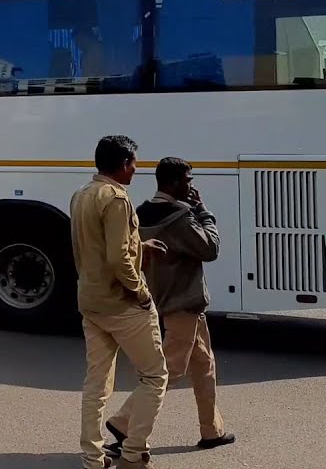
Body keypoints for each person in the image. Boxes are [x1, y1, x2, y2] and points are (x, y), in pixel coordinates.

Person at [105, 157, 236, 456]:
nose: (192, 186)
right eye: (188, 181)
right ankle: (123, 423)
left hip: (164, 299)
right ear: (174, 183)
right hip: (183, 303)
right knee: (168, 370)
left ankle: (211, 430)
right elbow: (210, 248)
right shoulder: (180, 216)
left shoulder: (141, 212)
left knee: (204, 366)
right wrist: (203, 211)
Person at [71, 135, 168, 469]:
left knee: (96, 384)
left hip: (91, 302)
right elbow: (117, 258)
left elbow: (98, 247)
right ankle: (133, 453)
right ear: (124, 164)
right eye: (134, 164)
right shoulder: (116, 199)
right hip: (122, 304)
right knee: (155, 376)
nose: (136, 171)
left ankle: (92, 458)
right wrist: (141, 291)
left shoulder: (82, 194)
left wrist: (141, 245)